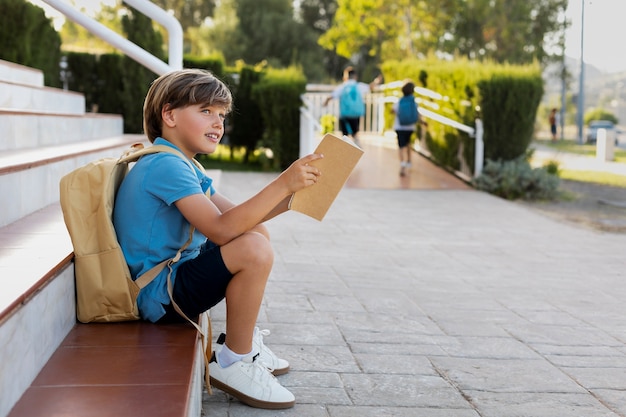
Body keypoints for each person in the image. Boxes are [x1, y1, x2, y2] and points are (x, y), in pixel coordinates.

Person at [113, 69, 323, 409]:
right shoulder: (166, 166)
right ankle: (234, 362)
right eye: (206, 111)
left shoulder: (185, 164)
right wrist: (283, 182)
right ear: (169, 115)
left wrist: (296, 197)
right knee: (252, 248)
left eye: (222, 115)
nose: (218, 123)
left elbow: (239, 217)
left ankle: (243, 347)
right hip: (157, 294)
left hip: (173, 277)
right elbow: (222, 229)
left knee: (256, 233)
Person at [323, 66, 381, 146]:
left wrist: (325, 103)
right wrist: (377, 81)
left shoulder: (342, 87)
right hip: (356, 113)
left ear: (345, 77)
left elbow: (331, 96)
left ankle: (345, 149)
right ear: (355, 76)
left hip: (344, 114)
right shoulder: (358, 86)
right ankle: (356, 147)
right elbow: (370, 87)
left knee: (345, 135)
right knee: (355, 133)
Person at [392, 81, 419, 176]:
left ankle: (402, 164)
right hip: (410, 127)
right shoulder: (413, 102)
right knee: (408, 144)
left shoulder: (399, 101)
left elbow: (393, 111)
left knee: (401, 146)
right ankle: (409, 161)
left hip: (400, 127)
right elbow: (417, 114)